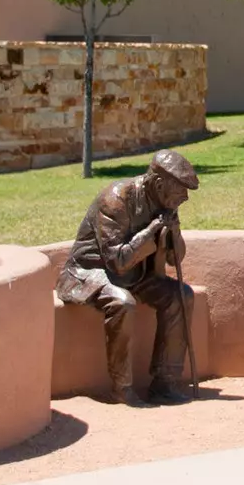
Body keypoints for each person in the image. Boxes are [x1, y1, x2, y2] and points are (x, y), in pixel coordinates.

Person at [57, 149, 199, 404]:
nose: (185, 198)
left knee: (181, 295)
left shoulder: (165, 202)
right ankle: (122, 388)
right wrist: (152, 230)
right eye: (180, 191)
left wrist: (174, 232)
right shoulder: (116, 200)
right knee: (122, 303)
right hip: (90, 273)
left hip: (137, 275)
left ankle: (165, 383)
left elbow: (174, 259)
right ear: (158, 184)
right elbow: (117, 261)